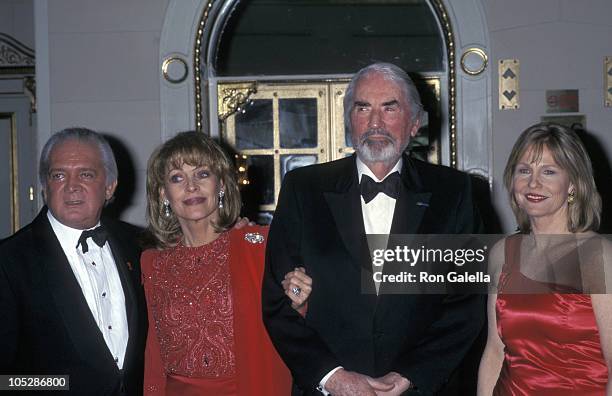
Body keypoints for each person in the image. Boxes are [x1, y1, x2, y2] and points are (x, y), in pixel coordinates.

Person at [262, 62, 485, 396]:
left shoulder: (453, 192)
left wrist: (412, 374)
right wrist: (332, 377)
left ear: (414, 123)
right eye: (363, 108)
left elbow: (467, 304)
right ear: (349, 121)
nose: (375, 123)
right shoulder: (302, 188)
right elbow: (277, 302)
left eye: (390, 108)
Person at [141, 131, 292, 395]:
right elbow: (153, 354)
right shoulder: (152, 263)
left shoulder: (260, 246)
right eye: (177, 178)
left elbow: (295, 323)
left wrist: (300, 300)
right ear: (163, 194)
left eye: (202, 174)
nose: (191, 187)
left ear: (221, 184)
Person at [0, 127, 147, 395]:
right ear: (45, 187)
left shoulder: (140, 245)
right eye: (59, 175)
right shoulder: (9, 262)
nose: (71, 186)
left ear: (110, 186)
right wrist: (62, 385)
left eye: (86, 174)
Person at [477, 123, 612, 395]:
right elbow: (494, 351)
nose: (533, 183)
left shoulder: (600, 256)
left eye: (548, 172)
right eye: (524, 170)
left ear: (573, 184)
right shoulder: (502, 252)